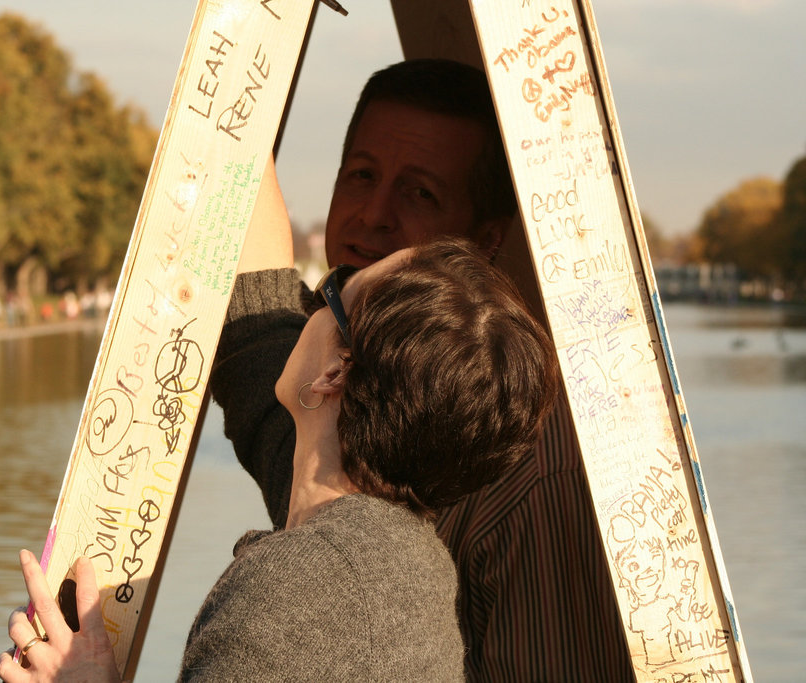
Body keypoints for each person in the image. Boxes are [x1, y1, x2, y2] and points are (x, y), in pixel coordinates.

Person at [210, 59, 635, 681]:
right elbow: (255, 321)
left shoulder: (543, 477)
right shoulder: (345, 446)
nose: (374, 214)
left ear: (484, 240)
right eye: (360, 175)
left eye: (420, 192)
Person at [0, 218, 559, 679]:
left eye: (334, 293)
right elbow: (256, 315)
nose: (309, 310)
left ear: (335, 374)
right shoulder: (400, 560)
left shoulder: (296, 596)